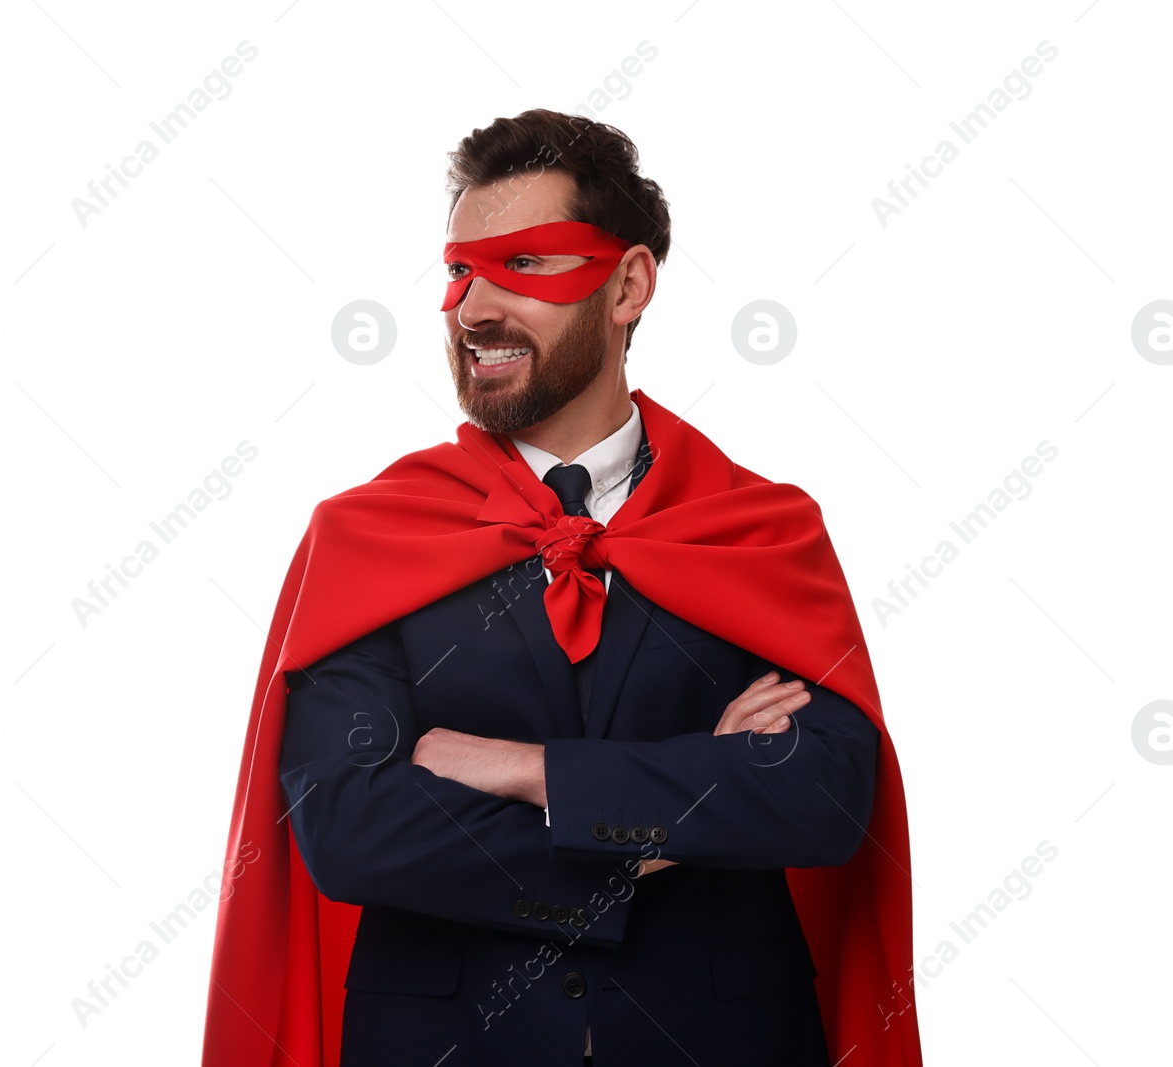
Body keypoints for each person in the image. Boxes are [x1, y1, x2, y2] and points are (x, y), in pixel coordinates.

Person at [200, 109, 923, 1067]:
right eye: (459, 272)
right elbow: (346, 825)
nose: (472, 308)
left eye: (525, 267)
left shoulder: (758, 527)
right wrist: (669, 824)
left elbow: (827, 795)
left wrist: (525, 771)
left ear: (628, 284)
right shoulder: (376, 533)